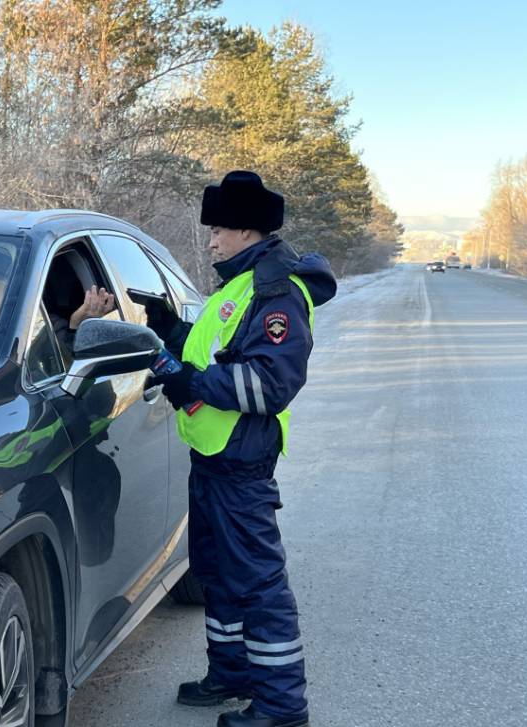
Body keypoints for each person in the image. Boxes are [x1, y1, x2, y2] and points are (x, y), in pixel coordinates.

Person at [148, 171, 337, 727]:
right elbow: (217, 351)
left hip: (241, 458)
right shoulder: (239, 285)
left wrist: (192, 386)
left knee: (256, 581)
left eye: (219, 229)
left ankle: (280, 707)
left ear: (248, 230)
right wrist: (171, 332)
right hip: (212, 456)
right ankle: (230, 674)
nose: (210, 240)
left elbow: (270, 382)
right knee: (219, 572)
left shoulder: (276, 291)